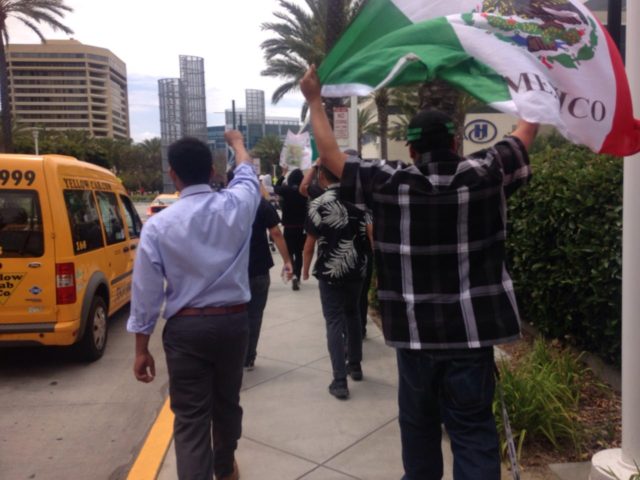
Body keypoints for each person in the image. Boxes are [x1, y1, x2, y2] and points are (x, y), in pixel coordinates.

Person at [300, 64, 538, 480]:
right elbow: (524, 133)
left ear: (410, 151)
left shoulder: (387, 184)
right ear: (457, 141)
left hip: (414, 339)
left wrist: (314, 100)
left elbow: (331, 157)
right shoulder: (487, 173)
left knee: (419, 429)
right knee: (472, 433)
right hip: (471, 338)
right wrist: (530, 84)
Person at [127, 132, 260, 480]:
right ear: (213, 170)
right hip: (233, 323)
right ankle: (224, 466)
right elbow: (247, 171)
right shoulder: (237, 204)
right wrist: (238, 143)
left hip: (186, 331)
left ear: (173, 174)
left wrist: (141, 349)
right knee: (227, 404)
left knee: (190, 419)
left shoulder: (158, 226)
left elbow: (145, 293)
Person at [301, 164, 370, 400]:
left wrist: (305, 270)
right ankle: (356, 366)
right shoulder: (359, 204)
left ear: (321, 177)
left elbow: (310, 244)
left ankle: (339, 381)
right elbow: (370, 236)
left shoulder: (317, 205)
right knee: (353, 315)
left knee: (333, 321)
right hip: (356, 270)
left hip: (330, 272)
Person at [236, 172, 294, 370]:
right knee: (254, 316)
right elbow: (276, 233)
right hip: (258, 268)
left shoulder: (224, 204)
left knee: (233, 316)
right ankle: (248, 358)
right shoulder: (260, 204)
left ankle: (233, 357)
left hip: (231, 271)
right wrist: (287, 261)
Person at [274, 168, 307, 291]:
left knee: (290, 253)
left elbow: (275, 187)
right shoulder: (304, 191)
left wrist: (282, 175)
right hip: (302, 228)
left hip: (289, 227)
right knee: (299, 253)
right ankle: (297, 277)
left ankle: (292, 274)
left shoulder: (286, 191)